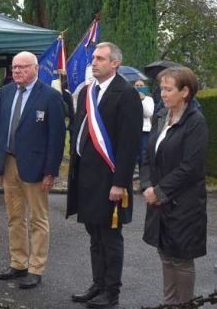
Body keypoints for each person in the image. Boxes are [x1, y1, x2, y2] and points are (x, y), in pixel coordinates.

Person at [67, 42, 143, 309]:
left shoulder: (126, 94)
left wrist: (120, 183)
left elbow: (129, 144)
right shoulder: (88, 91)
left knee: (110, 238)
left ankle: (112, 291)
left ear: (115, 64)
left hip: (110, 180)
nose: (94, 63)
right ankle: (97, 284)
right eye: (94, 59)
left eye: (100, 58)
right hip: (87, 178)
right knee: (94, 236)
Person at [0, 51, 65, 289]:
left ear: (36, 68)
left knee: (38, 219)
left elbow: (56, 137)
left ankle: (36, 268)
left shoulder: (51, 97)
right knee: (14, 217)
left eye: (23, 67)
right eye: (14, 67)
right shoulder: (6, 92)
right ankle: (18, 262)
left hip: (36, 167)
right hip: (10, 162)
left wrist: (50, 171)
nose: (17, 71)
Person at [140, 67, 208, 305]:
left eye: (168, 89)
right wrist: (148, 185)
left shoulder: (195, 122)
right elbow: (148, 156)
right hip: (159, 199)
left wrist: (160, 191)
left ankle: (185, 304)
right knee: (165, 253)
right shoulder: (160, 117)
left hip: (184, 203)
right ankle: (170, 303)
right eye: (161, 88)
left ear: (185, 92)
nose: (163, 93)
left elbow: (190, 167)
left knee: (181, 257)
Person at [134, 79, 155, 174]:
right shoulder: (130, 98)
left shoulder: (149, 99)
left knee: (143, 158)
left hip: (144, 131)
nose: (139, 87)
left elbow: (148, 113)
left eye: (141, 85)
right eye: (136, 85)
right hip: (133, 132)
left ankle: (144, 182)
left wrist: (142, 100)